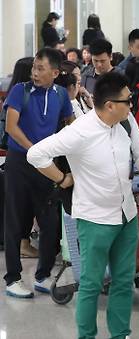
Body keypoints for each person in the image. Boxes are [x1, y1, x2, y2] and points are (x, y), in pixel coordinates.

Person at [27, 71, 139, 339]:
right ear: (110, 105)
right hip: (94, 219)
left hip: (126, 216)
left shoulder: (126, 122)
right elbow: (36, 154)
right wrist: (63, 179)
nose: (133, 105)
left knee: (124, 282)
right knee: (91, 285)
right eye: (128, 101)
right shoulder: (80, 131)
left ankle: (120, 334)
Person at [3, 48, 73, 299]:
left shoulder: (62, 94)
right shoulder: (19, 91)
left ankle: (43, 275)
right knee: (15, 222)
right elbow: (11, 127)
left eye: (41, 68)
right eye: (34, 67)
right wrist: (35, 151)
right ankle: (12, 279)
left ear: (55, 72)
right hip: (20, 162)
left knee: (50, 222)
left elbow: (71, 125)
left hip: (47, 166)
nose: (34, 72)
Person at [2, 57, 40, 258]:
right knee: (23, 204)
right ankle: (22, 245)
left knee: (22, 203)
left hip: (20, 156)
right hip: (23, 156)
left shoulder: (16, 95)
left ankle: (22, 244)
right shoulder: (22, 96)